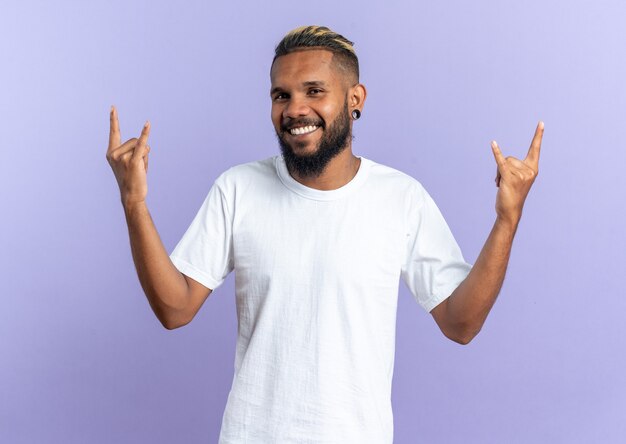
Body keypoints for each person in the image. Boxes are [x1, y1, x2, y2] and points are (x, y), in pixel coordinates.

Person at [106, 25, 543, 444]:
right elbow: (175, 309)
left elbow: (460, 324)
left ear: (355, 99)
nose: (295, 108)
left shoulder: (400, 198)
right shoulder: (237, 188)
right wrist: (134, 203)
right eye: (282, 95)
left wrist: (507, 221)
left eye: (314, 91)